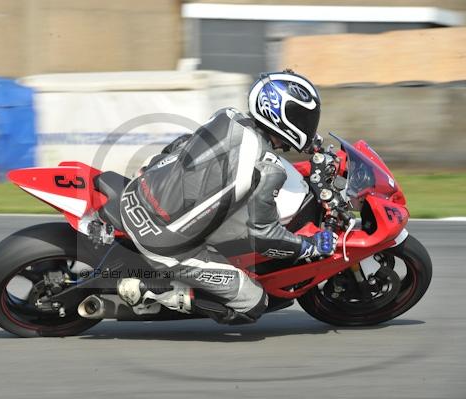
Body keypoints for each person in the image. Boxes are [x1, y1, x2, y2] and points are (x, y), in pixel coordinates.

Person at [117, 70, 336, 324]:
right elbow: (262, 237)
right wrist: (308, 246)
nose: (308, 125)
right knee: (254, 302)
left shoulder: (229, 117)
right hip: (165, 243)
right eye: (302, 118)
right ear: (281, 116)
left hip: (139, 193)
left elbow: (182, 144)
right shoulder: (267, 169)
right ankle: (154, 290)